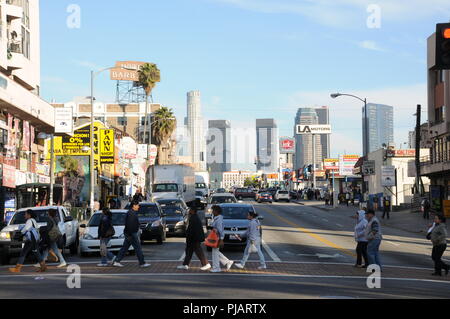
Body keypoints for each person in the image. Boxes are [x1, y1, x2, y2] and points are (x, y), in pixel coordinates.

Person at [113, 200, 150, 268]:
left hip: (130, 233)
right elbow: (129, 224)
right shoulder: (131, 213)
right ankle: (142, 263)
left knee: (125, 248)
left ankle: (117, 261)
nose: (138, 207)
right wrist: (131, 233)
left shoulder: (131, 212)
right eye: (137, 205)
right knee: (138, 248)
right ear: (134, 206)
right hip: (132, 233)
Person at [210, 205, 234, 273]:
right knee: (215, 251)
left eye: (213, 210)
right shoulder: (216, 218)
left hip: (217, 237)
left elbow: (221, 230)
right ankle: (227, 262)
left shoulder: (219, 219)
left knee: (215, 252)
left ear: (217, 211)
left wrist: (221, 240)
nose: (212, 212)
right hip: (215, 236)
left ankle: (217, 268)